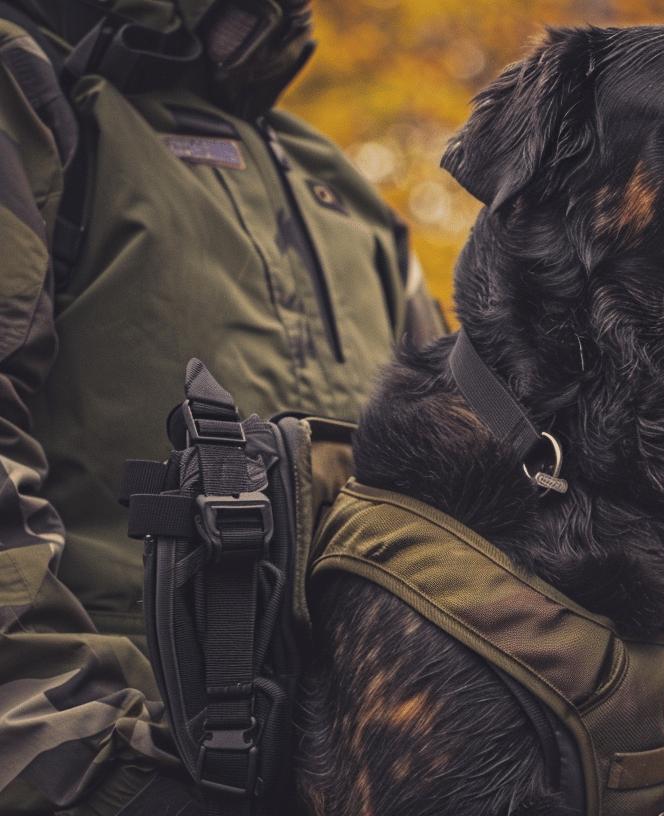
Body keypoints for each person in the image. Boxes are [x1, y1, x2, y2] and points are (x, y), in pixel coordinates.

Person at [0, 0, 446, 812]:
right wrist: (96, 770)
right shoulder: (29, 89)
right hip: (114, 766)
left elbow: (455, 508)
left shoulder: (332, 176)